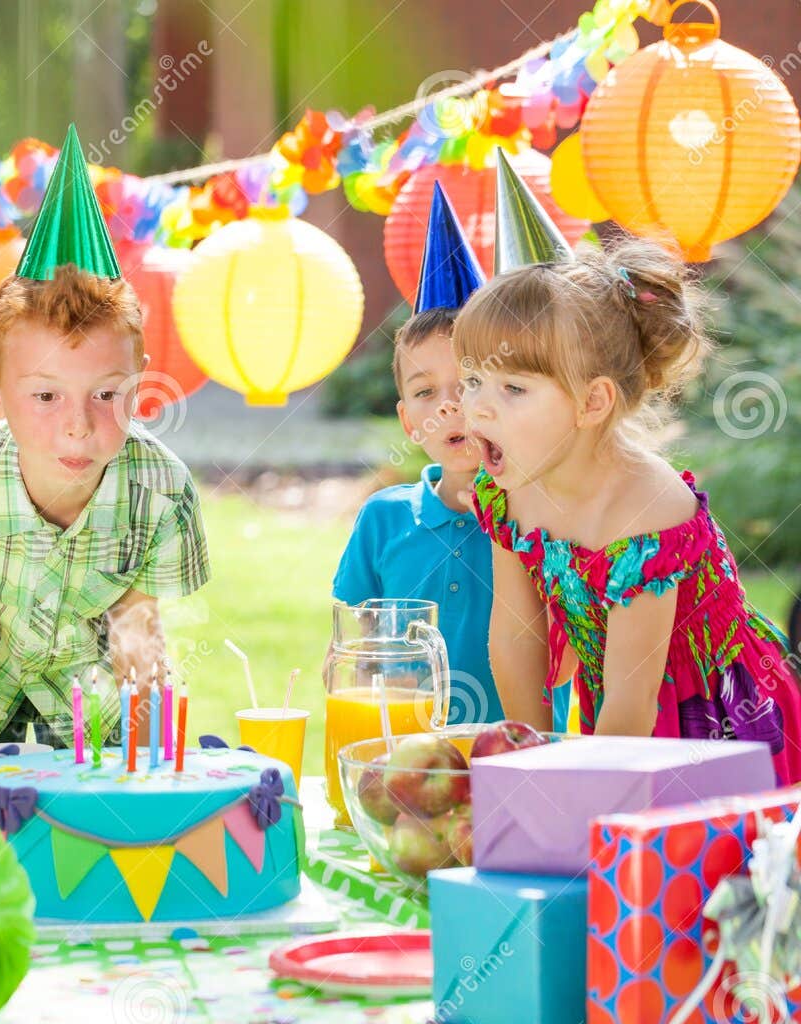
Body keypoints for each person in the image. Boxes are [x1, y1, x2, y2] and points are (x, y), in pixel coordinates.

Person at [0, 127, 210, 782]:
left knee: (90, 829)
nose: (77, 427)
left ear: (140, 380)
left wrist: (145, 773)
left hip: (84, 700)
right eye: (44, 396)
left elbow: (137, 626)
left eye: (105, 394)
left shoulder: (159, 488)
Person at [456, 237, 801, 784]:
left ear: (593, 402)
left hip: (716, 725)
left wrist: (571, 798)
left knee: (698, 863)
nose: (477, 404)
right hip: (617, 724)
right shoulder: (510, 488)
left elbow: (634, 699)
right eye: (473, 380)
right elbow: (518, 634)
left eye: (513, 387)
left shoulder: (647, 510)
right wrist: (528, 762)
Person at [332, 183, 504, 725]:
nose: (450, 407)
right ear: (409, 421)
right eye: (427, 392)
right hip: (403, 761)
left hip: (511, 760)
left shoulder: (537, 521)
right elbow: (360, 655)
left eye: (470, 382)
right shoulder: (383, 520)